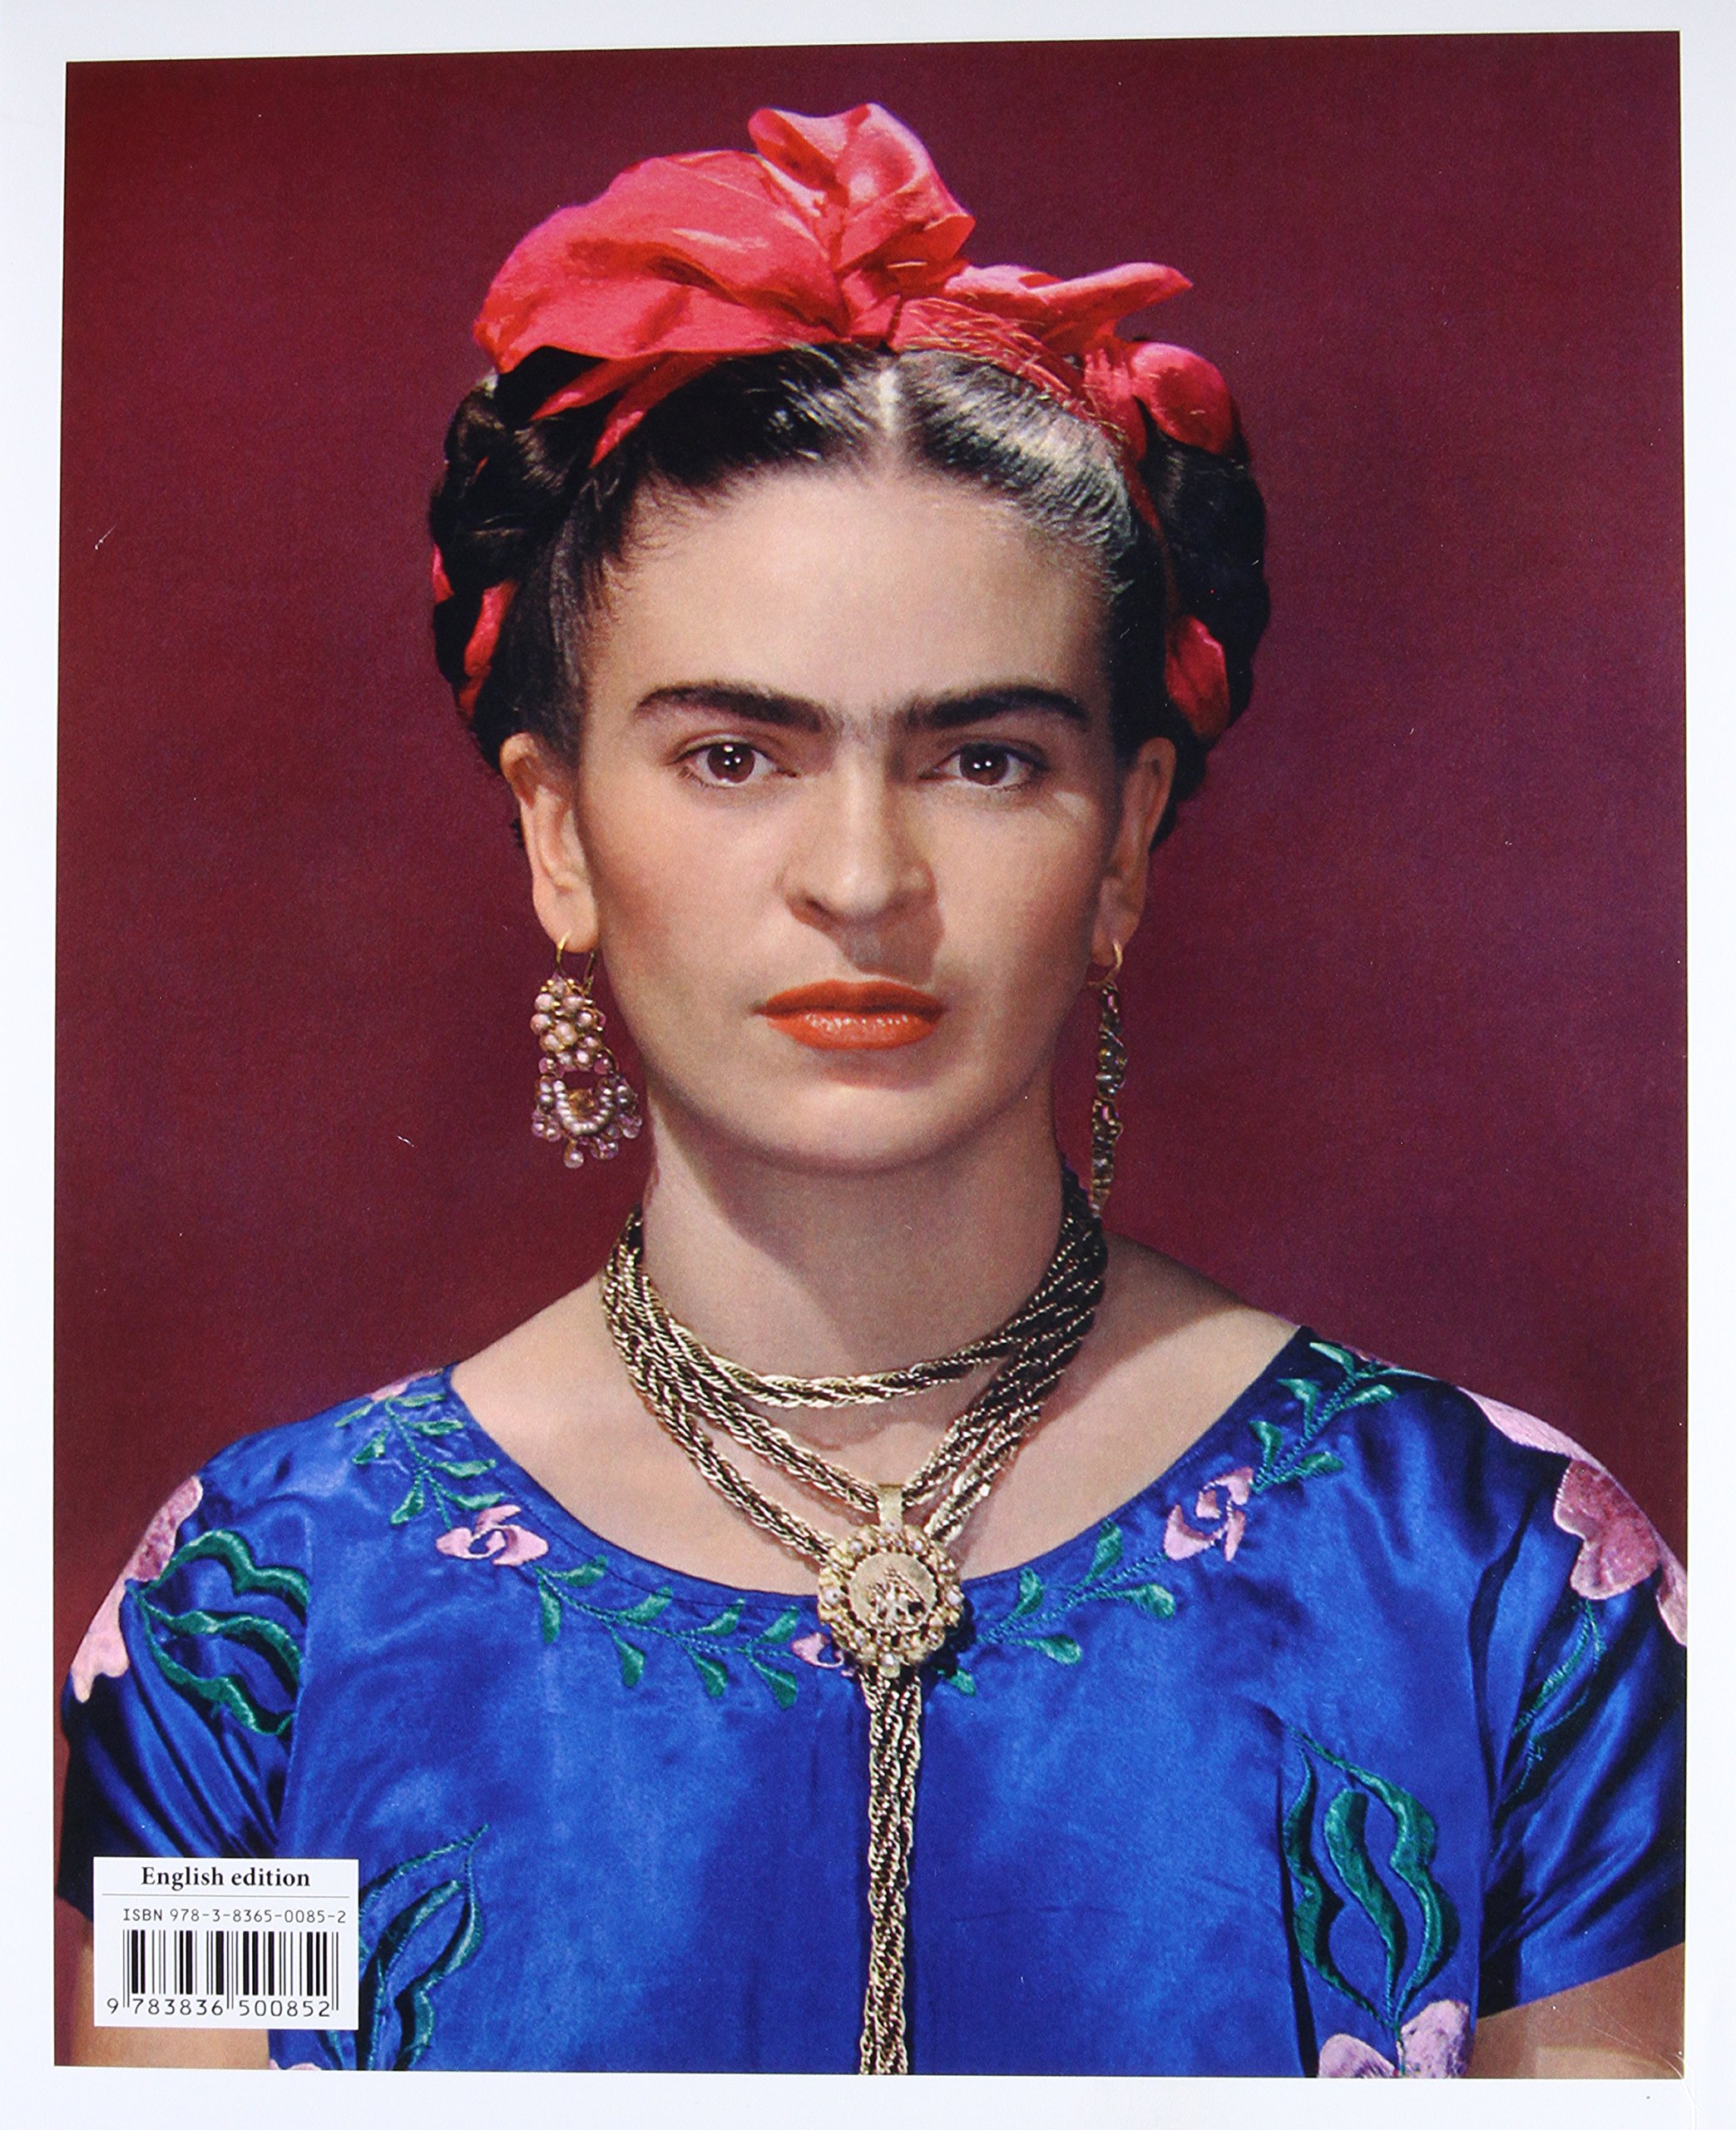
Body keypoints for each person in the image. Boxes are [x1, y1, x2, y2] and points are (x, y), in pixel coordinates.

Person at [59, 102, 1684, 2077]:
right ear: (558, 833)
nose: (859, 876)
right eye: (734, 756)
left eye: (984, 759)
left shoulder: (1496, 1578)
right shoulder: (266, 1619)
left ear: (1128, 838)